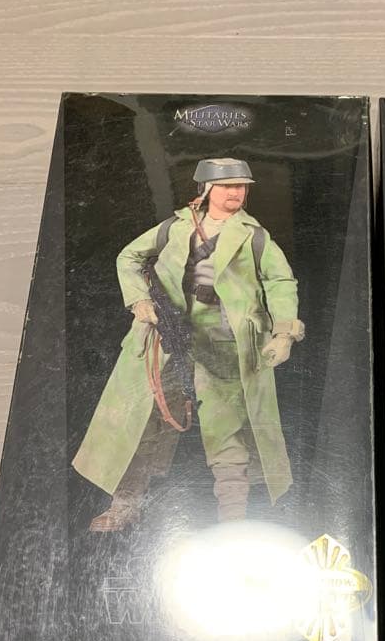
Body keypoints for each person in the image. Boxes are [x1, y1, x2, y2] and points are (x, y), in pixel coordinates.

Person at [72, 157, 304, 531]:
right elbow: (129, 256)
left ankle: (233, 521)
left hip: (224, 343)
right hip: (166, 337)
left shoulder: (254, 236)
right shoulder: (175, 228)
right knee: (140, 421)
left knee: (227, 431)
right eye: (227, 186)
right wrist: (139, 300)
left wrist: (283, 333)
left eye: (241, 186)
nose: (235, 192)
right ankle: (125, 504)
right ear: (207, 189)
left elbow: (280, 282)